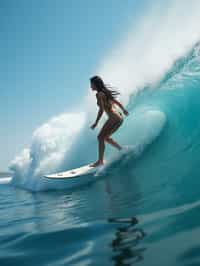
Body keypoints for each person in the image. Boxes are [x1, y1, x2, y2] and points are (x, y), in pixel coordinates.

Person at [90, 76, 129, 167]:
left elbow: (101, 110)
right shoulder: (105, 92)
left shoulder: (99, 94)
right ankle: (121, 150)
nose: (90, 86)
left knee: (100, 137)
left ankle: (100, 161)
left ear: (95, 84)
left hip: (113, 118)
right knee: (105, 138)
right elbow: (116, 102)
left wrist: (96, 122)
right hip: (119, 117)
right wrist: (123, 110)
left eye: (91, 84)